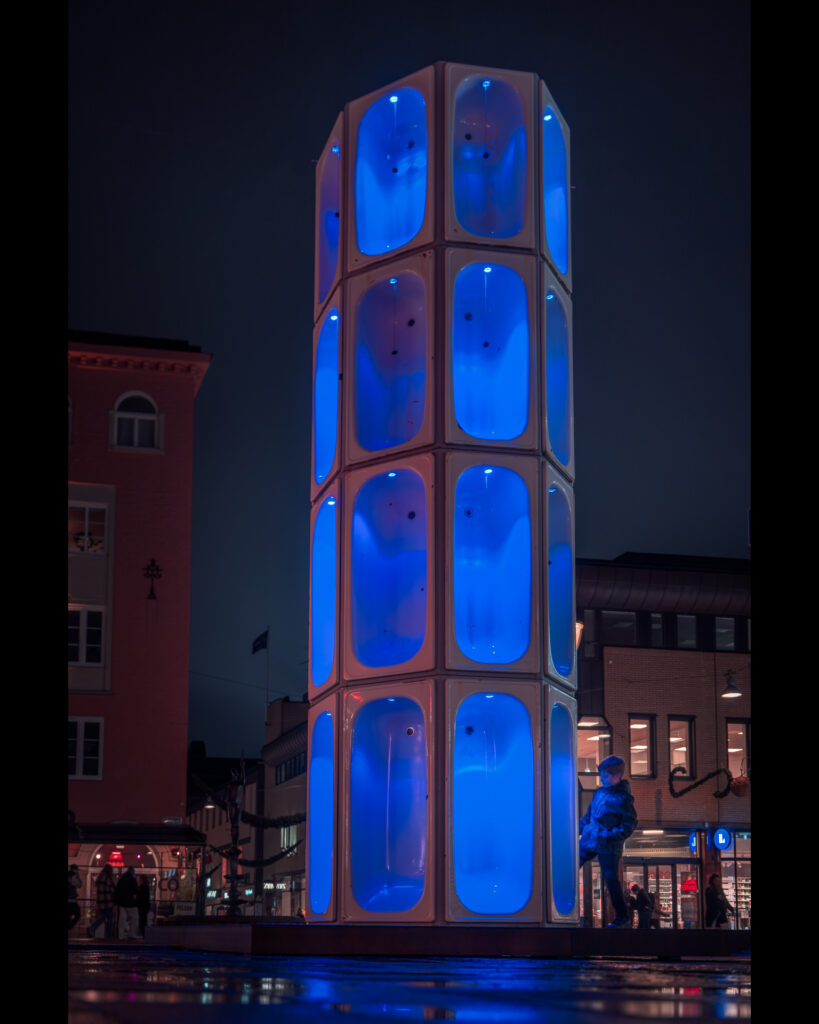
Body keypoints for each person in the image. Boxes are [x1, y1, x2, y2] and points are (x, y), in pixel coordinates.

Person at [579, 754, 638, 928]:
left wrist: (609, 835)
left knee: (611, 878)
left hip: (607, 844)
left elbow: (629, 824)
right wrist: (578, 829)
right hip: (591, 839)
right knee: (570, 866)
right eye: (601, 776)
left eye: (605, 776)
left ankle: (622, 916)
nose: (602, 779)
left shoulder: (623, 799)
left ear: (617, 775)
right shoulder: (600, 793)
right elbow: (588, 816)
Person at [88, 863, 116, 938]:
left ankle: (93, 927)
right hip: (108, 902)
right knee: (110, 920)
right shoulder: (109, 878)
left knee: (102, 917)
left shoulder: (99, 878)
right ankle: (108, 937)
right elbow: (113, 889)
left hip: (100, 902)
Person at [114, 865, 140, 939]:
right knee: (135, 919)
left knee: (122, 920)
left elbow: (117, 891)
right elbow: (135, 891)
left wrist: (117, 902)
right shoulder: (132, 879)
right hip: (130, 903)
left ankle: (121, 935)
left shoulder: (121, 879)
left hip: (122, 903)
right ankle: (131, 933)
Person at [68, 865, 82, 932]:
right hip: (72, 900)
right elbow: (79, 884)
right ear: (75, 870)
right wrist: (78, 876)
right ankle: (69, 927)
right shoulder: (73, 876)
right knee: (77, 915)